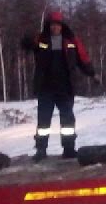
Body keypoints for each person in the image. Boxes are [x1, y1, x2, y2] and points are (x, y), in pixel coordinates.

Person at [23, 11, 95, 161]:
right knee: (43, 121)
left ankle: (68, 149)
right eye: (52, 25)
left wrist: (92, 74)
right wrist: (28, 39)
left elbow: (83, 58)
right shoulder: (42, 40)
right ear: (48, 26)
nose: (55, 27)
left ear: (62, 26)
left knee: (68, 120)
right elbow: (27, 45)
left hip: (65, 87)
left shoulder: (71, 41)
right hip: (45, 88)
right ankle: (41, 150)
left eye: (57, 25)